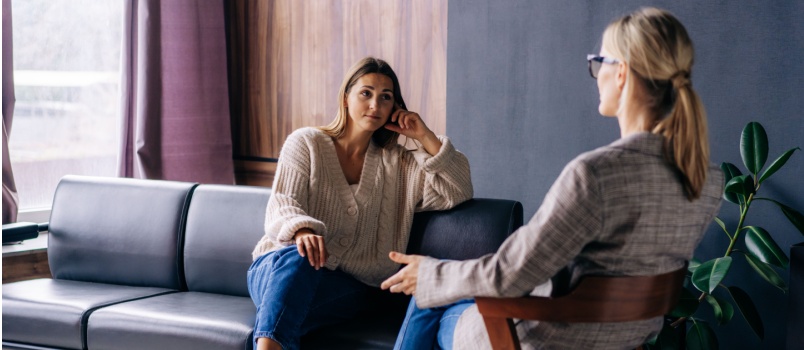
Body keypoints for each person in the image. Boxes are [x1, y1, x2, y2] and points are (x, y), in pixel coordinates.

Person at [381, 7, 724, 350]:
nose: (596, 73)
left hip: (542, 340)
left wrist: (429, 274)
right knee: (442, 291)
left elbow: (510, 273)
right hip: (619, 340)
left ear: (621, 73)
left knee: (431, 301)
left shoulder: (596, 174)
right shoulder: (706, 180)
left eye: (599, 61)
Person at [247, 57, 473, 350]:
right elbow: (282, 201)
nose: (375, 105)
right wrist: (302, 231)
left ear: (396, 108)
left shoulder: (400, 165)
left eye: (386, 98)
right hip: (277, 269)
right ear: (345, 98)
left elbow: (459, 189)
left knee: (288, 313)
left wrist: (424, 136)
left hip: (348, 288)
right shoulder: (306, 143)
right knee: (298, 258)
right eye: (365, 93)